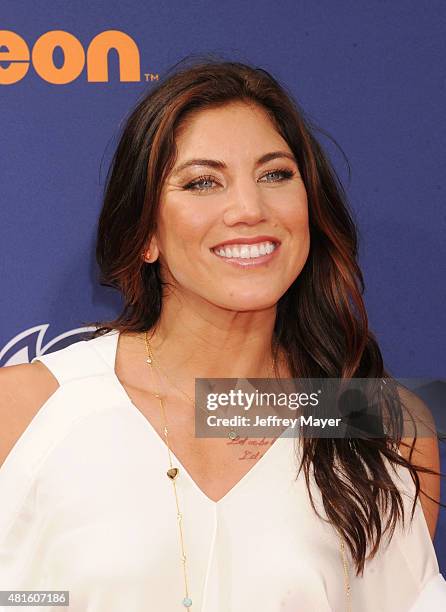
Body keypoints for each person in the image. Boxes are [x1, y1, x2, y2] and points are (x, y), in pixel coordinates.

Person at [0, 58, 445, 611]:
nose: (248, 208)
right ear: (144, 234)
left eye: (275, 174)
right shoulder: (25, 408)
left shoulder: (385, 424)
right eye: (203, 182)